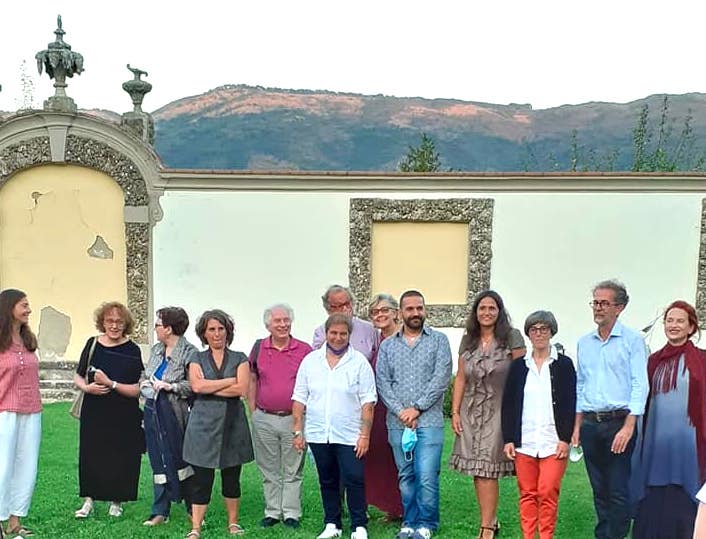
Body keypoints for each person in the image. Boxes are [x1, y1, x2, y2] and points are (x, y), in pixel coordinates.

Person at [573, 279, 648, 539]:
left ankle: (614, 535)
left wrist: (629, 426)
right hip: (591, 426)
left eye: (604, 303)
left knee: (617, 490)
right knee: (599, 489)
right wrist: (577, 426)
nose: (598, 308)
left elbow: (640, 384)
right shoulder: (584, 343)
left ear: (620, 307)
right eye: (595, 302)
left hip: (619, 424)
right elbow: (581, 385)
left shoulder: (633, 341)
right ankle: (603, 535)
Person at [292, 313, 377, 539]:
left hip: (350, 434)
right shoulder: (311, 361)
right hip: (320, 433)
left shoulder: (359, 362)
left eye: (343, 334)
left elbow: (368, 402)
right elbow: (299, 398)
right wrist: (298, 431)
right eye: (334, 333)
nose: (338, 338)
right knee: (327, 480)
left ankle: (359, 525)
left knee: (354, 478)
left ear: (349, 335)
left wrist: (365, 436)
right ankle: (332, 524)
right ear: (326, 333)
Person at [449, 290, 526, 539]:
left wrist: (519, 412)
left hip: (499, 411)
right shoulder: (468, 339)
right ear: (476, 312)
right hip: (471, 411)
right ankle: (490, 519)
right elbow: (461, 377)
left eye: (492, 308)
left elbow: (522, 375)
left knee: (486, 469)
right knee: (476, 468)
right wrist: (455, 411)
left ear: (499, 311)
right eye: (482, 308)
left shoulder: (511, 337)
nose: (486, 313)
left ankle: (487, 528)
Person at [376, 290, 452, 539]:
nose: (415, 313)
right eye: (409, 309)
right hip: (397, 423)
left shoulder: (439, 340)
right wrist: (401, 412)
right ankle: (409, 522)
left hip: (428, 422)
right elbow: (383, 383)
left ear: (424, 310)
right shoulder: (388, 346)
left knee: (427, 475)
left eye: (419, 308)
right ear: (400, 313)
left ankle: (427, 524)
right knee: (406, 475)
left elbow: (441, 378)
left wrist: (417, 408)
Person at [631, 300, 706, 538]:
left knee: (687, 490)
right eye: (670, 320)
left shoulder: (702, 360)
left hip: (690, 441)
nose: (674, 325)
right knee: (656, 490)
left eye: (680, 321)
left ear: (691, 327)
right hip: (657, 439)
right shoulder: (653, 360)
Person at [501, 311, 576, 539]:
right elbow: (508, 404)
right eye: (534, 329)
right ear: (528, 334)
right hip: (525, 441)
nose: (539, 333)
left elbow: (571, 402)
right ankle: (528, 536)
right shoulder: (518, 366)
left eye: (544, 329)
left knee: (547, 491)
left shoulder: (563, 365)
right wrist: (508, 439)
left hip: (553, 442)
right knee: (527, 493)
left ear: (552, 331)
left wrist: (566, 438)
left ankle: (545, 536)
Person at [182, 309, 254, 538]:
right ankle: (195, 527)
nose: (217, 333)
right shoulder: (196, 358)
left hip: (233, 425)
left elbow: (242, 389)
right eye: (211, 329)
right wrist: (228, 381)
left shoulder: (240, 357)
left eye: (221, 328)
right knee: (202, 480)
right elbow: (196, 387)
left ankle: (233, 523)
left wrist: (210, 385)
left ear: (228, 331)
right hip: (202, 426)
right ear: (204, 333)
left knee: (231, 478)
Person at [73, 301, 145, 519]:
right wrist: (87, 387)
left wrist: (111, 382)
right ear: (102, 322)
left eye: (119, 322)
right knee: (91, 453)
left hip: (124, 411)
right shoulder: (92, 344)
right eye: (109, 321)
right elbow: (79, 374)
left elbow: (137, 388)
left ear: (126, 324)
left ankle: (117, 501)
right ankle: (89, 501)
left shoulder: (132, 350)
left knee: (122, 455)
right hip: (95, 409)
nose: (114, 326)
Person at [247, 303, 312, 529]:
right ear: (268, 325)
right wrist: (253, 410)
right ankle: (273, 511)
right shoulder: (258, 349)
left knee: (293, 468)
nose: (283, 324)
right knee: (269, 468)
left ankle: (292, 512)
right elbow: (253, 379)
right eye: (278, 321)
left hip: (294, 419)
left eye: (286, 320)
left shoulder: (304, 350)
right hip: (264, 417)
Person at [140, 307, 198, 527]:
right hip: (153, 411)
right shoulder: (156, 350)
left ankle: (192, 506)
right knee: (158, 458)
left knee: (182, 458)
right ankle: (160, 510)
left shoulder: (189, 352)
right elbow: (145, 376)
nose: (155, 328)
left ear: (169, 328)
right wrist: (147, 386)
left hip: (176, 414)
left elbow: (193, 385)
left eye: (157, 324)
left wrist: (170, 386)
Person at [0, 290, 41, 538]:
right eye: (24, 305)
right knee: (2, 466)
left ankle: (15, 521)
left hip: (31, 410)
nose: (28, 310)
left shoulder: (27, 340)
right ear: (9, 307)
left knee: (26, 466)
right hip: (4, 411)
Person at [365, 293, 404, 520]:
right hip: (377, 409)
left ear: (395, 312)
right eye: (375, 312)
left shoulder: (402, 338)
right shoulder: (377, 340)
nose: (379, 315)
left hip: (397, 408)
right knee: (380, 458)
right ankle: (391, 507)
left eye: (384, 310)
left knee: (398, 458)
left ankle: (402, 507)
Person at [312, 285, 379, 361]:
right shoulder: (320, 332)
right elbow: (317, 359)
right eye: (340, 306)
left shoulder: (369, 329)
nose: (345, 308)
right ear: (329, 309)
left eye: (347, 304)